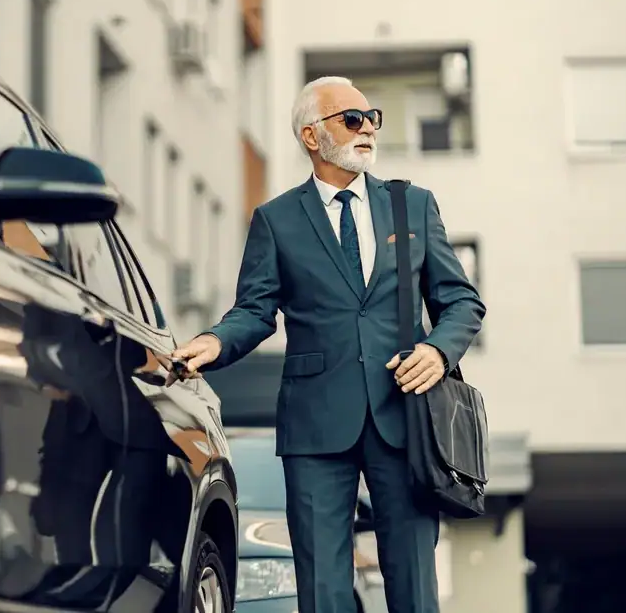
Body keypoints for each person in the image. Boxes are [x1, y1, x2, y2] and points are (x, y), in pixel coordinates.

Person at [167, 76, 485, 613]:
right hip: (315, 425)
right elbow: (254, 311)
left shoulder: (413, 206)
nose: (368, 130)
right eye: (352, 119)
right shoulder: (277, 220)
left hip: (403, 418)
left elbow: (462, 302)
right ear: (313, 136)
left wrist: (437, 351)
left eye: (372, 118)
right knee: (322, 588)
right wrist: (213, 343)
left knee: (413, 583)